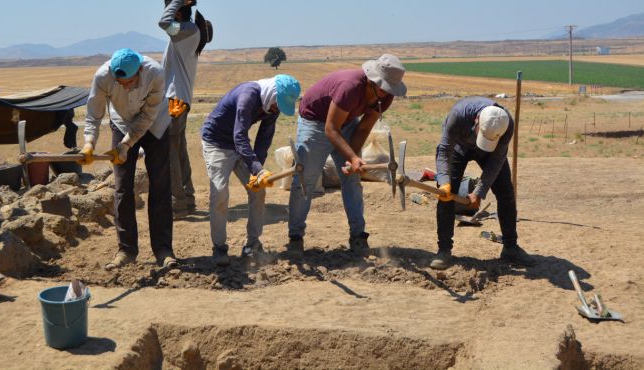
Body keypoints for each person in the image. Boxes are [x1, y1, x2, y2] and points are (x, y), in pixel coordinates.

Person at [286, 54, 407, 257]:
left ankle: (358, 236)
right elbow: (331, 129)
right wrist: (352, 156)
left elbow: (363, 128)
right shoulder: (349, 87)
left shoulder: (385, 96)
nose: (386, 93)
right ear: (372, 81)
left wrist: (353, 160)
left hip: (347, 120)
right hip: (315, 121)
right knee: (305, 180)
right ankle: (295, 238)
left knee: (352, 178)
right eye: (383, 88)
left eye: (389, 89)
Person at [80, 48, 177, 270]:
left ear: (140, 70)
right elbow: (94, 115)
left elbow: (147, 116)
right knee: (123, 187)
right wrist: (89, 144)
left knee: (160, 186)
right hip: (121, 122)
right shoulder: (103, 76)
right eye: (119, 81)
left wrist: (126, 145)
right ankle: (126, 250)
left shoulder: (155, 73)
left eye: (129, 81)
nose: (124, 85)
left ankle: (163, 250)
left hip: (154, 125)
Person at [200, 74, 301, 266]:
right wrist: (256, 167)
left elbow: (264, 137)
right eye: (276, 103)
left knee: (259, 190)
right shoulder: (248, 96)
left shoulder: (273, 105)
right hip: (217, 143)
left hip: (240, 145)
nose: (275, 109)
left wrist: (258, 172)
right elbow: (239, 136)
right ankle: (219, 248)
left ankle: (253, 245)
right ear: (273, 93)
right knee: (220, 193)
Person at [430, 96, 534, 270]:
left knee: (506, 192)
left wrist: (478, 192)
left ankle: (510, 247)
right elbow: (444, 150)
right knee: (446, 195)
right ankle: (444, 250)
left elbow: (497, 161)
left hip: (490, 153)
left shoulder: (506, 124)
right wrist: (444, 181)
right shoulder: (459, 115)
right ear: (477, 121)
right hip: (458, 148)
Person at [159, 0, 211, 218]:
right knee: (178, 149)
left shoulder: (186, 31)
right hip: (180, 98)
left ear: (178, 13)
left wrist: (179, 0)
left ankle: (177, 204)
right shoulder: (188, 31)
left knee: (170, 151)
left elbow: (163, 22)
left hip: (174, 99)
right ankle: (187, 198)